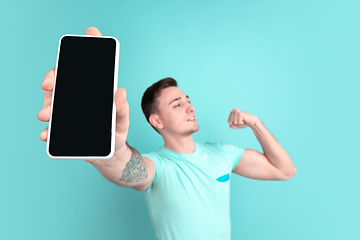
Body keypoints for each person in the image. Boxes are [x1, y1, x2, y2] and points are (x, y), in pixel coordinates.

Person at [37, 26, 297, 240]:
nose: (190, 106)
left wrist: (256, 124)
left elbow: (284, 170)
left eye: (188, 99)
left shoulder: (224, 154)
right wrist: (109, 151)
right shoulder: (157, 166)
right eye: (177, 104)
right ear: (156, 120)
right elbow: (127, 168)